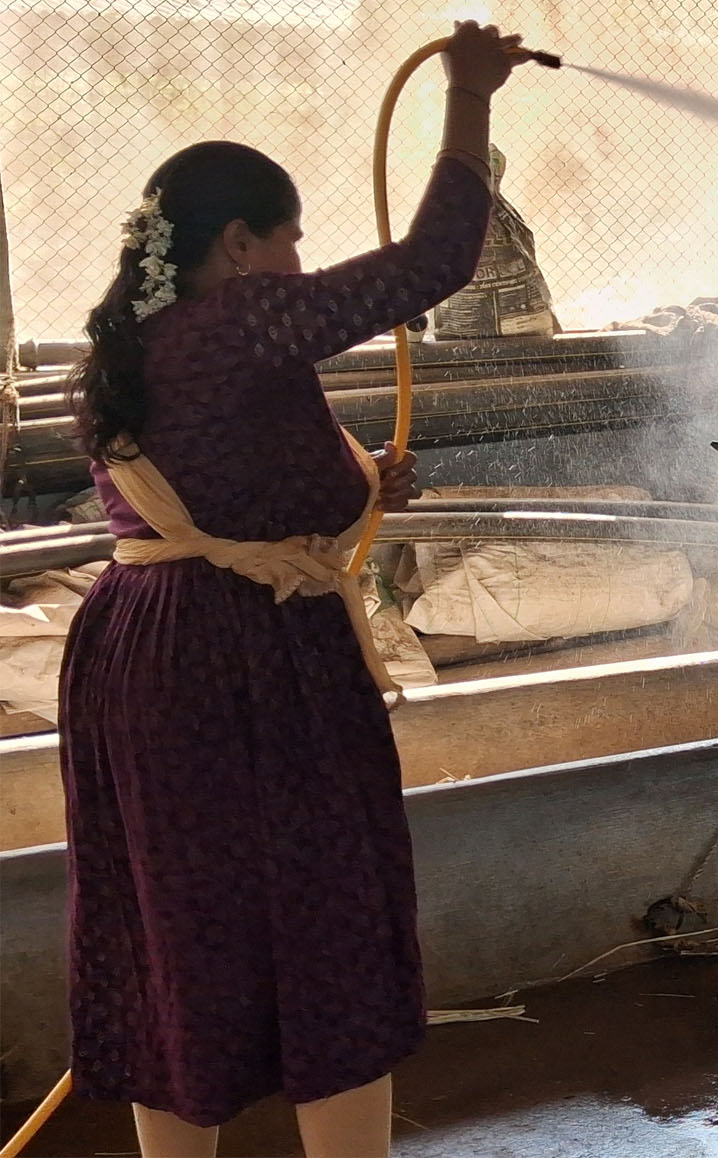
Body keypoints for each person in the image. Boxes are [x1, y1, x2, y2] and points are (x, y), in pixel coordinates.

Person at [56, 22, 530, 1157]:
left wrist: (364, 481)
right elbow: (433, 267)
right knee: (327, 929)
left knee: (180, 935)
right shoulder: (243, 319)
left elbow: (229, 474)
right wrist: (470, 97)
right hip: (248, 661)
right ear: (236, 242)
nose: (301, 264)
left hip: (134, 657)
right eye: (292, 242)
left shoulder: (130, 341)